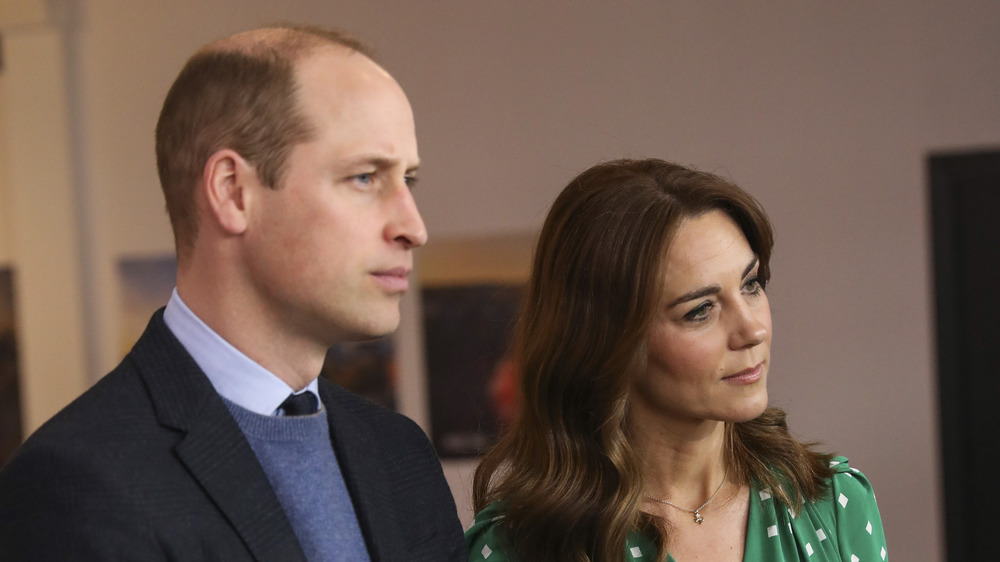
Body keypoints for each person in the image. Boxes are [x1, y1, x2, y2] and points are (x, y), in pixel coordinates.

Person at [0, 24, 466, 561]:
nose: (414, 227)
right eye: (365, 178)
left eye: (408, 181)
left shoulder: (399, 453)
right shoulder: (77, 486)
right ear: (233, 193)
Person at [464, 159, 888, 561]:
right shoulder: (516, 548)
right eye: (700, 309)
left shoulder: (831, 503)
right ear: (607, 341)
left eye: (751, 284)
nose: (753, 330)